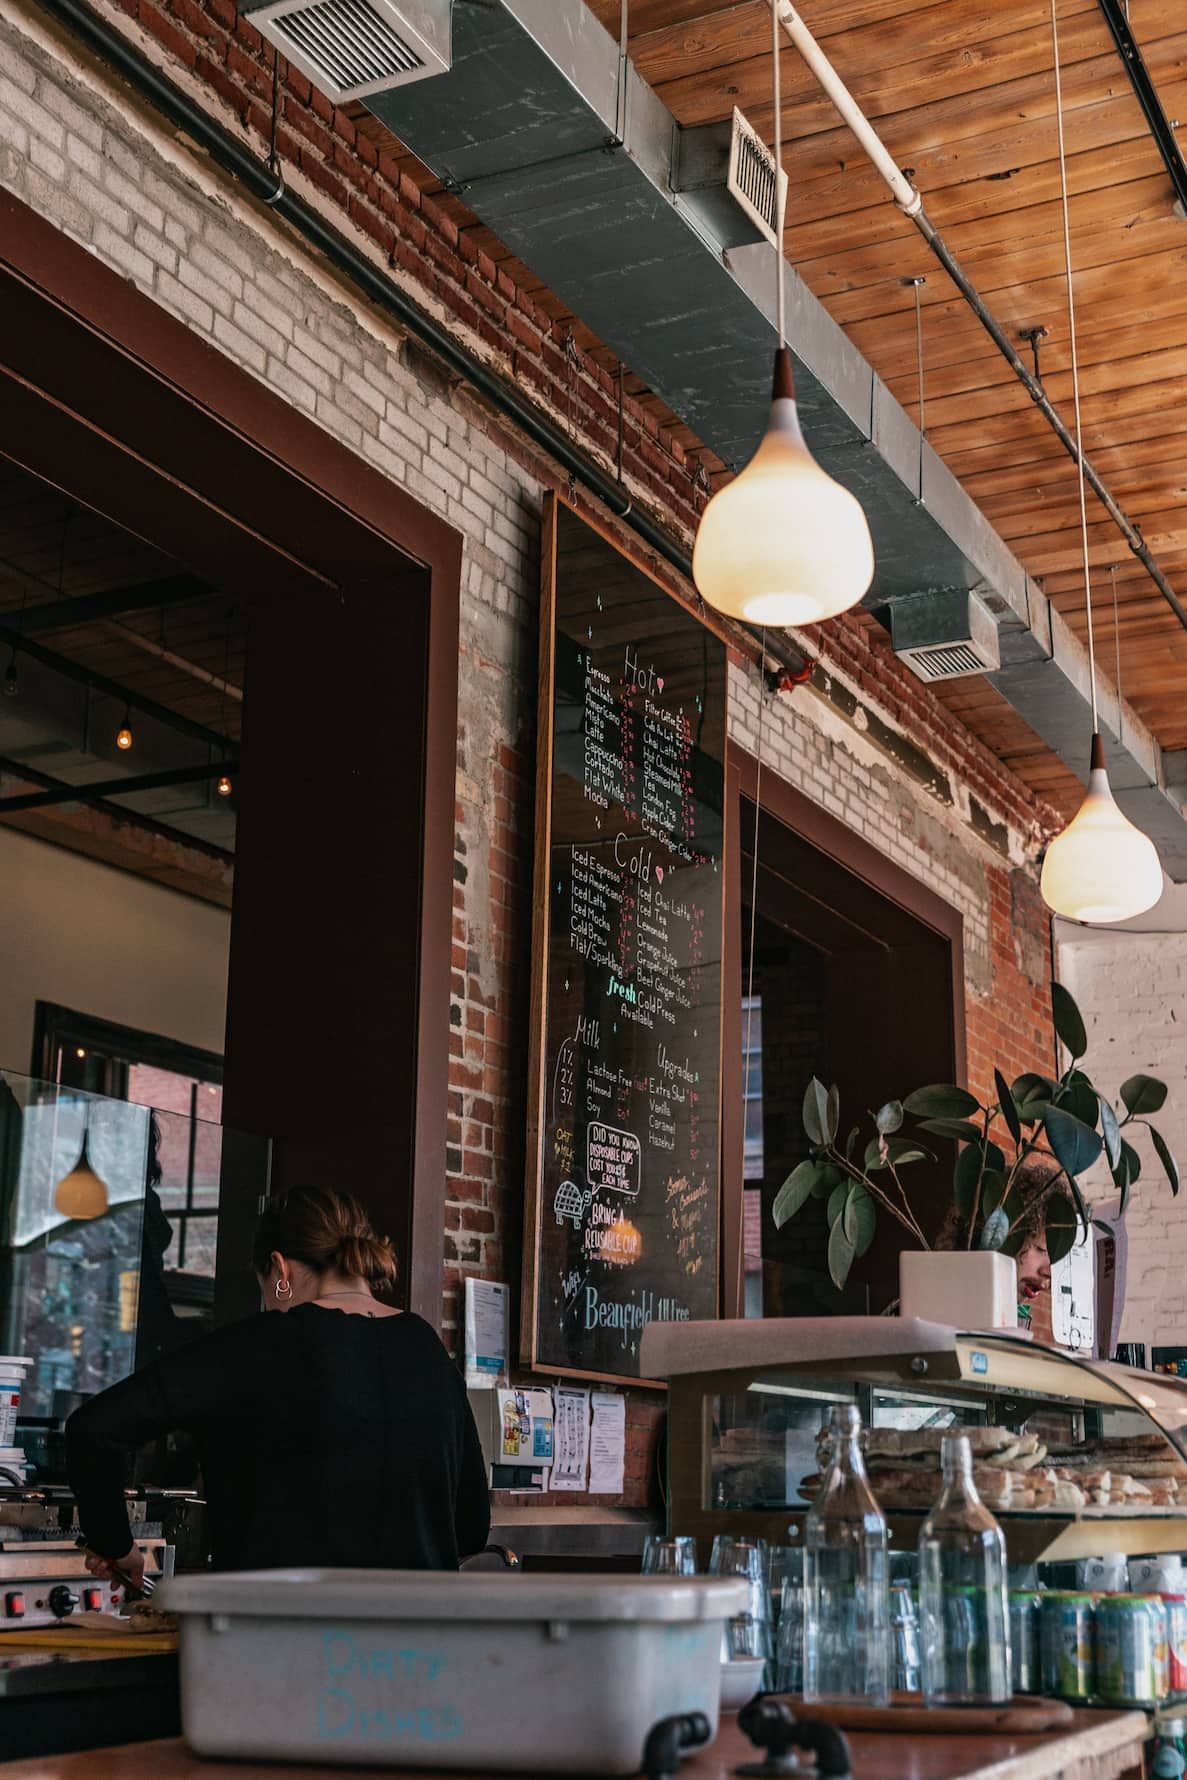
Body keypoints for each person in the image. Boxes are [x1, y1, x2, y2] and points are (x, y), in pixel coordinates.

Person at [67, 1184, 490, 1586]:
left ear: (280, 1268)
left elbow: (94, 1429)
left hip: (276, 1642)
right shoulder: (426, 1349)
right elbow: (470, 1526)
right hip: (419, 1649)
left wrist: (116, 1544)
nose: (270, 1301)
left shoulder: (257, 1345)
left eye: (267, 1288)